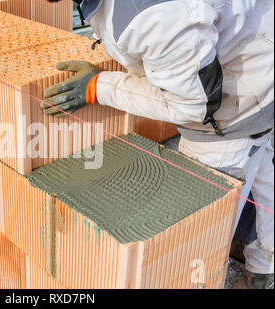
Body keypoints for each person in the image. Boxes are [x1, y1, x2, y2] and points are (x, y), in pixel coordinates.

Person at [43, 0, 274, 289]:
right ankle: (266, 266)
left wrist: (100, 86)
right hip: (260, 56)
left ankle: (220, 275)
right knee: (264, 171)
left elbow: (195, 105)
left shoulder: (152, 14)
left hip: (239, 101)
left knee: (201, 231)